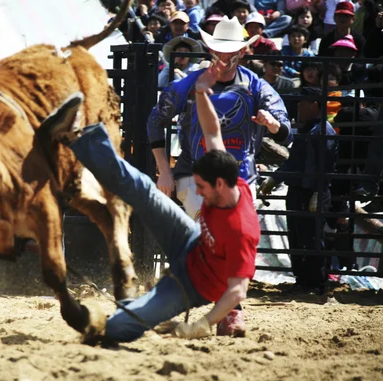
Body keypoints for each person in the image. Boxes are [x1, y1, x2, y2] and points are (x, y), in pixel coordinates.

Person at [39, 63, 260, 343]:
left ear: (219, 185)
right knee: (143, 187)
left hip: (192, 286)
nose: (199, 193)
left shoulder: (242, 229)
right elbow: (213, 131)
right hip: (190, 242)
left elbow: (238, 291)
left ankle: (116, 319)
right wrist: (202, 92)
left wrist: (201, 324)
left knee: (121, 327)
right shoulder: (229, 177)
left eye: (202, 188)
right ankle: (77, 134)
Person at [148, 16, 291, 222]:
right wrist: (164, 170)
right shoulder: (186, 85)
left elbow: (284, 130)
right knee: (208, 230)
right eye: (218, 50)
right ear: (210, 49)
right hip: (194, 174)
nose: (223, 56)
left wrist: (273, 124)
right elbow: (155, 121)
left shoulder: (257, 87)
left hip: (242, 176)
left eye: (230, 51)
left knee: (234, 234)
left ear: (241, 52)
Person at [258, 87, 338, 295]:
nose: (298, 108)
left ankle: (315, 283)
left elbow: (326, 165)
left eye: (302, 104)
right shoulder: (307, 130)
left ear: (314, 105)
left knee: (311, 238)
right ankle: (303, 281)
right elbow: (295, 162)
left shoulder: (322, 131)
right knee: (297, 236)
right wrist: (275, 178)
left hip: (310, 190)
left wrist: (318, 193)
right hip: (298, 189)